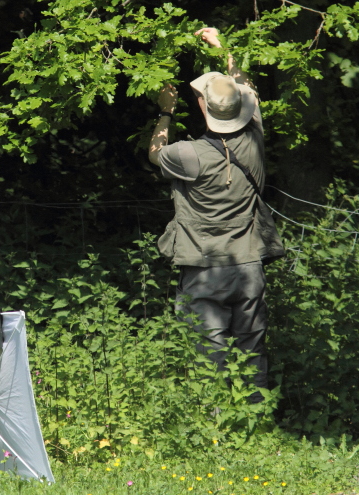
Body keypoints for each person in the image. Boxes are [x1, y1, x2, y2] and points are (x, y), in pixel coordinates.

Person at [148, 28, 284, 403]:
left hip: (204, 265)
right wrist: (225, 50)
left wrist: (166, 110)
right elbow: (250, 95)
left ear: (204, 108)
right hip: (249, 263)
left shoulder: (187, 155)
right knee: (252, 349)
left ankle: (215, 423)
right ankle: (253, 418)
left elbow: (155, 152)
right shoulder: (254, 140)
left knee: (209, 354)